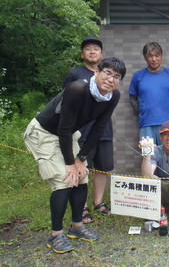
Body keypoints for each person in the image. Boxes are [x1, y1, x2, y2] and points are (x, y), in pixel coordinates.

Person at [24, 57, 126, 254]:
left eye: (117, 76)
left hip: (67, 134)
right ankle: (55, 235)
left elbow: (99, 128)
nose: (111, 79)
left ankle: (77, 226)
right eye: (107, 73)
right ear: (96, 71)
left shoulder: (113, 97)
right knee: (64, 179)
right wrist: (70, 162)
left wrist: (81, 159)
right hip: (45, 133)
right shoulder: (77, 89)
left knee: (81, 176)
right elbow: (64, 127)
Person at [63, 36, 112, 223]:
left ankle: (98, 202)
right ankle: (81, 207)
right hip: (82, 131)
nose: (92, 52)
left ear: (101, 54)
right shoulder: (74, 74)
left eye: (96, 49)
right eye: (88, 49)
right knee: (82, 167)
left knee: (103, 167)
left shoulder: (108, 75)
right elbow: (65, 103)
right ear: (82, 53)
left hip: (104, 129)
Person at [128, 42, 169, 146]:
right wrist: (142, 111)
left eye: (157, 55)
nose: (154, 59)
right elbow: (132, 98)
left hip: (168, 124)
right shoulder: (138, 76)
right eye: (150, 56)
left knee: (168, 156)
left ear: (161, 56)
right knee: (148, 157)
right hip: (146, 124)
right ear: (145, 57)